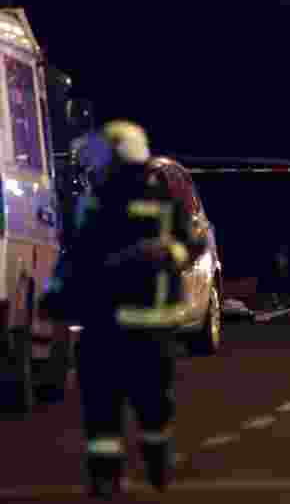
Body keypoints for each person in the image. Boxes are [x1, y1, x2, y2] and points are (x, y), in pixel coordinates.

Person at [41, 121, 207, 498]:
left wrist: (164, 255)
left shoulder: (148, 199)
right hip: (119, 325)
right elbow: (80, 255)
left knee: (142, 408)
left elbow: (191, 242)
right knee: (107, 410)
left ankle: (150, 457)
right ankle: (110, 475)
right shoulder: (100, 199)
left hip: (138, 324)